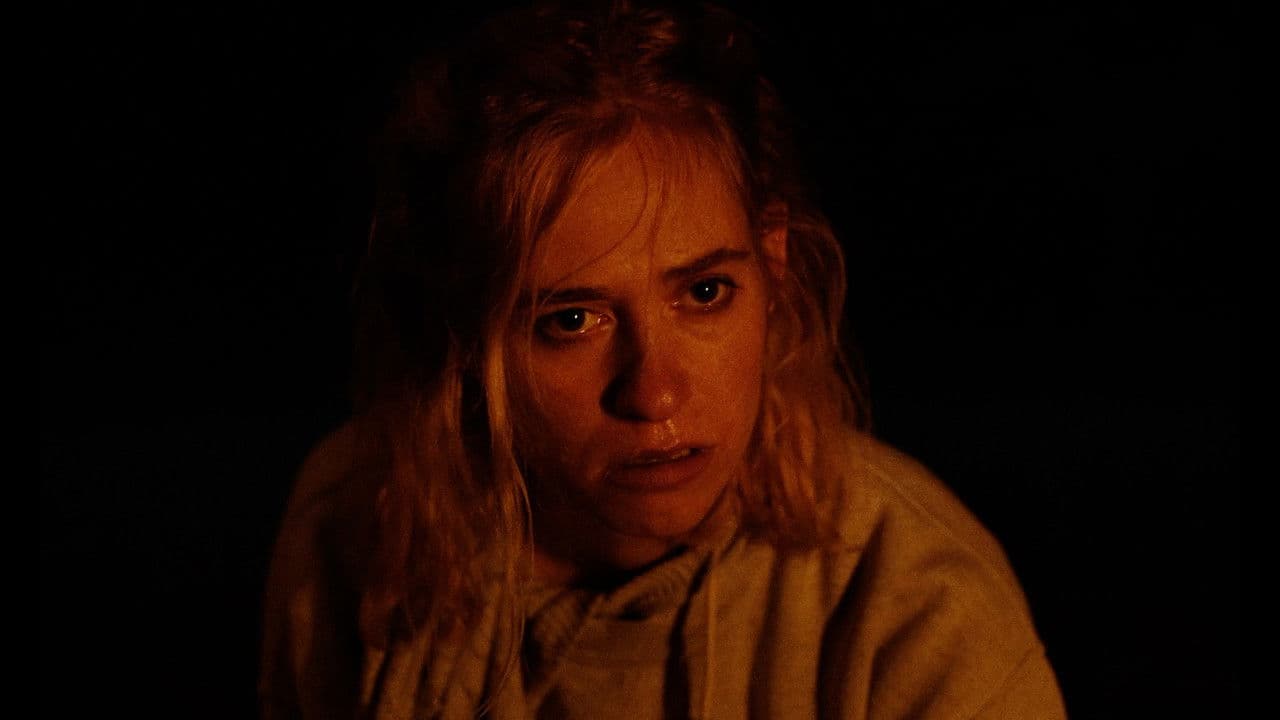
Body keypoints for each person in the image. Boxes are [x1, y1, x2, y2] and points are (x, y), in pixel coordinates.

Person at [259, 1, 1067, 717]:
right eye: (572, 320)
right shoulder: (358, 532)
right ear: (463, 334)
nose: (654, 393)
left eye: (705, 293)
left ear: (774, 266)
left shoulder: (909, 602)